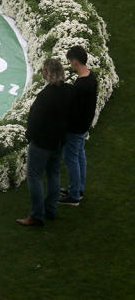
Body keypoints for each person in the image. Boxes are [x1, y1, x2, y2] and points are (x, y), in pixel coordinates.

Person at [17, 58, 72, 227]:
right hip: (59, 141)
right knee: (54, 174)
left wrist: (30, 137)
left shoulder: (44, 96)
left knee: (34, 177)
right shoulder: (69, 91)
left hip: (41, 143)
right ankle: (51, 210)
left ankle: (36, 216)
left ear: (47, 74)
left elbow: (34, 121)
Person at [60, 46, 98, 206]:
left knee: (71, 159)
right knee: (79, 156)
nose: (70, 65)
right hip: (83, 127)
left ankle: (74, 195)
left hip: (75, 128)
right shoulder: (91, 77)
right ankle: (78, 188)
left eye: (70, 62)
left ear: (75, 62)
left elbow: (73, 109)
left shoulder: (81, 85)